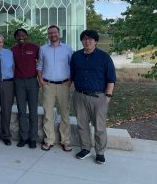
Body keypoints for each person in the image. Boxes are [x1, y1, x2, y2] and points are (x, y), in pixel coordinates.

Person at [70, 30, 116, 164]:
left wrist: (108, 95)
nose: (87, 41)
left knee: (99, 127)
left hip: (98, 97)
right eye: (84, 39)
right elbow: (72, 75)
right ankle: (85, 148)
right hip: (79, 95)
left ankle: (100, 153)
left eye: (90, 39)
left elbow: (111, 78)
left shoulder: (104, 57)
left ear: (96, 41)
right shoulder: (76, 56)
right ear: (82, 41)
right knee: (82, 125)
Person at [37, 25, 73, 152]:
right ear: (48, 35)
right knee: (48, 114)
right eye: (50, 33)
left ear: (59, 33)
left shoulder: (68, 49)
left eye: (55, 32)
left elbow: (72, 66)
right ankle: (49, 140)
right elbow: (40, 66)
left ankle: (66, 141)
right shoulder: (43, 49)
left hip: (64, 85)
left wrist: (70, 81)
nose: (53, 35)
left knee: (65, 114)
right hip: (48, 85)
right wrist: (41, 81)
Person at [11, 28, 39, 148]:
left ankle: (33, 138)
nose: (21, 36)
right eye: (18, 35)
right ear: (16, 38)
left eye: (23, 35)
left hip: (32, 81)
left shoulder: (34, 48)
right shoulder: (13, 50)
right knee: (21, 111)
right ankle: (24, 137)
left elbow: (42, 62)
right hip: (18, 83)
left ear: (27, 36)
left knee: (33, 111)